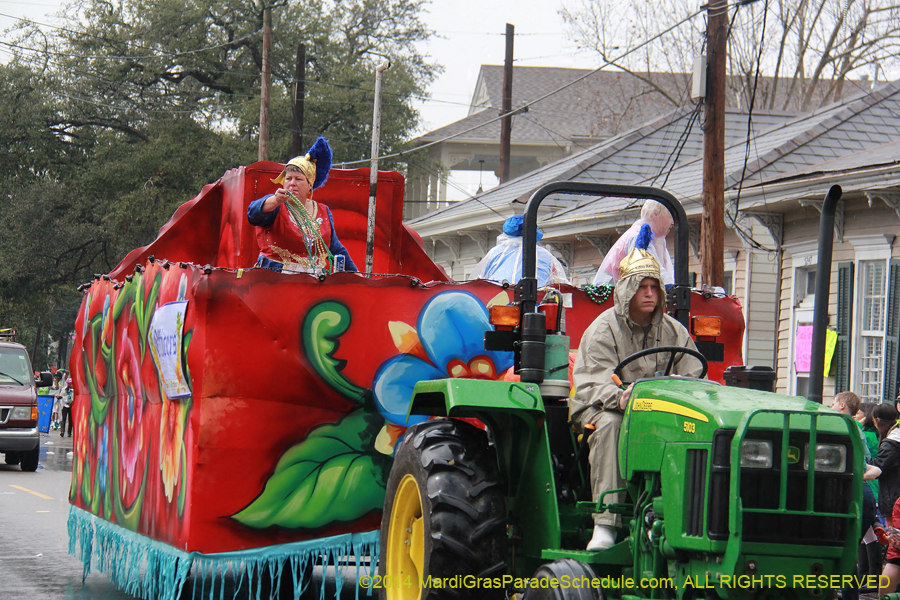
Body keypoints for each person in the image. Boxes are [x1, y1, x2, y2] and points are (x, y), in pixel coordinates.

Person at [572, 226, 703, 551]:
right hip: (603, 408)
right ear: (626, 290)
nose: (649, 294)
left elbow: (694, 376)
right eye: (641, 287)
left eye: (654, 287)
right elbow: (594, 382)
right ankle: (606, 524)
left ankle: (685, 519)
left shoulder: (675, 332)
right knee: (612, 425)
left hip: (660, 413)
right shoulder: (602, 330)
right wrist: (621, 398)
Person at [247, 137, 357, 274]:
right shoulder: (276, 205)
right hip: (276, 280)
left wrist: (358, 277)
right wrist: (275, 200)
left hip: (314, 281)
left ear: (310, 184)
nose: (292, 183)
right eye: (288, 178)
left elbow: (335, 249)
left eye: (298, 179)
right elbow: (253, 214)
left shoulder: (323, 211)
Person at [830, 392, 876, 600]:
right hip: (863, 493)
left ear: (842, 405)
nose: (830, 407)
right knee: (848, 550)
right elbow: (866, 460)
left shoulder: (841, 426)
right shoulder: (857, 428)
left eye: (833, 403)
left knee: (842, 550)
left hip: (851, 493)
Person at [468, 215, 570, 287]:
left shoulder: (495, 253)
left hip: (497, 303)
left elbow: (477, 282)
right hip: (537, 305)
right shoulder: (545, 255)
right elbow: (561, 284)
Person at [593, 200, 675, 288]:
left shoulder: (657, 240)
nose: (673, 222)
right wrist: (671, 289)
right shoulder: (638, 237)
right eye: (670, 216)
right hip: (612, 293)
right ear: (654, 214)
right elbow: (650, 271)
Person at [864, 403, 900, 596]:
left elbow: (879, 468)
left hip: (894, 499)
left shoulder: (890, 443)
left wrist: (860, 468)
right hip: (895, 498)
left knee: (894, 548)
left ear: (877, 421)